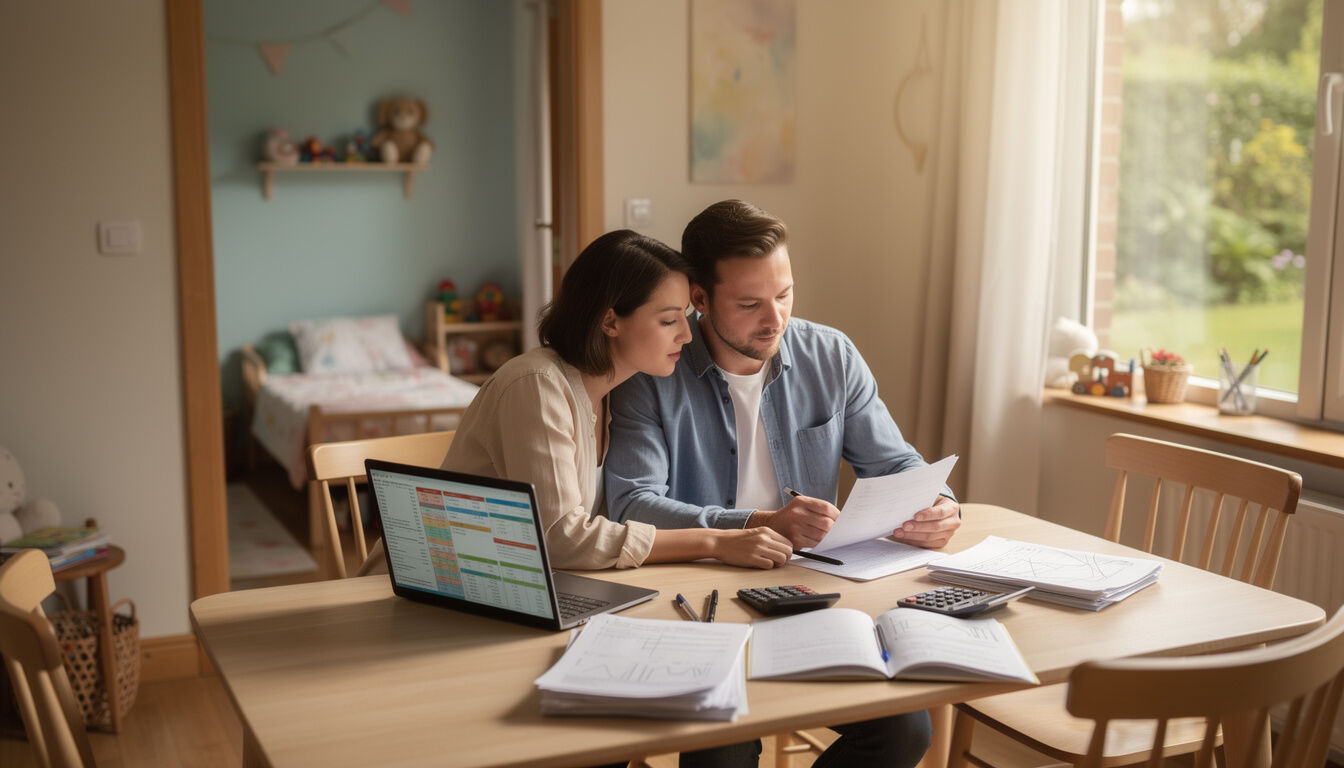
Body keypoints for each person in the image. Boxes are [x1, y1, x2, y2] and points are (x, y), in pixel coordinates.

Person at [605, 200, 960, 768]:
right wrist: (754, 524)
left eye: (785, 294)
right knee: (723, 750)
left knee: (902, 731)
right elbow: (630, 505)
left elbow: (897, 465)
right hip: (701, 605)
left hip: (809, 597)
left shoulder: (832, 356)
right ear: (699, 299)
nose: (775, 319)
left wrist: (937, 503)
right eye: (749, 304)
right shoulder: (654, 370)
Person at [439, 228, 795, 572]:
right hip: (447, 586)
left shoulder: (613, 394)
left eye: (684, 317)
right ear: (610, 321)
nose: (687, 335)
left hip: (526, 584)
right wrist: (715, 542)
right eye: (669, 320)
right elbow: (559, 537)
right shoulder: (537, 385)